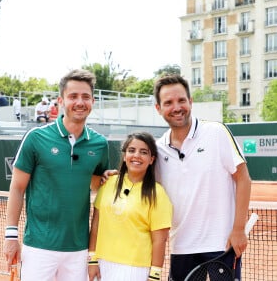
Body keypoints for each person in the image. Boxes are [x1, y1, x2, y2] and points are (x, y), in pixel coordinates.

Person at [3, 69, 110, 281]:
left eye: (85, 97)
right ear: (61, 100)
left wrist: (107, 179)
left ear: (93, 101)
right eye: (73, 96)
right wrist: (11, 235)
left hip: (78, 249)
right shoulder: (36, 137)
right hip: (38, 247)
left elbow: (97, 186)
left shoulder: (100, 144)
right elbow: (17, 187)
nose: (80, 102)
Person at [153, 74, 252, 281]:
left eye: (181, 100)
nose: (176, 107)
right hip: (181, 246)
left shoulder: (216, 132)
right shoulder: (157, 149)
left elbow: (243, 178)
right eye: (168, 102)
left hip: (222, 245)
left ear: (190, 102)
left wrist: (238, 229)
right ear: (158, 108)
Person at [88, 132, 173, 281]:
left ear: (151, 159)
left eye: (144, 152)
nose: (137, 156)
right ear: (125, 155)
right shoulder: (108, 182)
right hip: (102, 264)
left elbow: (159, 240)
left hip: (135, 269)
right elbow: (96, 224)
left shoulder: (157, 193)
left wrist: (154, 275)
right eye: (131, 150)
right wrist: (93, 259)